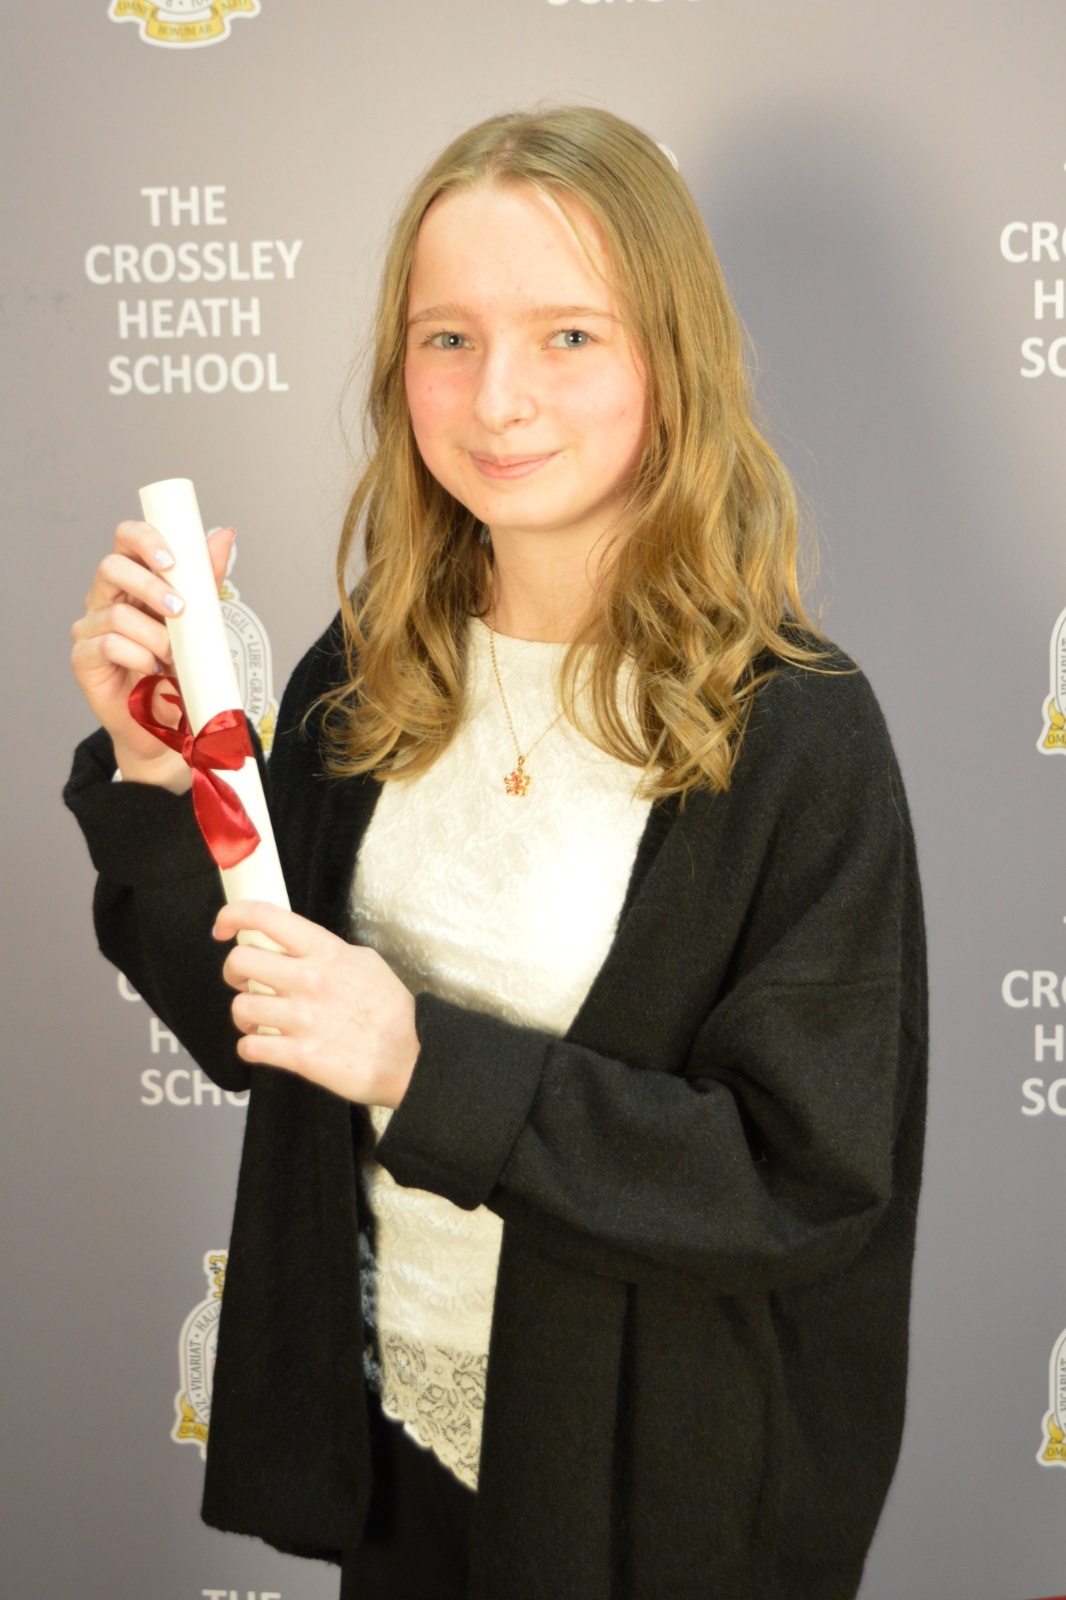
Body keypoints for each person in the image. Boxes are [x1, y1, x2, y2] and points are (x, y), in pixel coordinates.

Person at [65, 106, 927, 1600]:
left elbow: (800, 1178)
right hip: (396, 1442)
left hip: (652, 1498)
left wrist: (419, 1062)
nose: (497, 398)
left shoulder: (798, 732)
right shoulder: (367, 668)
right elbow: (260, 1024)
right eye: (447, 339)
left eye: (568, 336)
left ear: (672, 360)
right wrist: (157, 779)